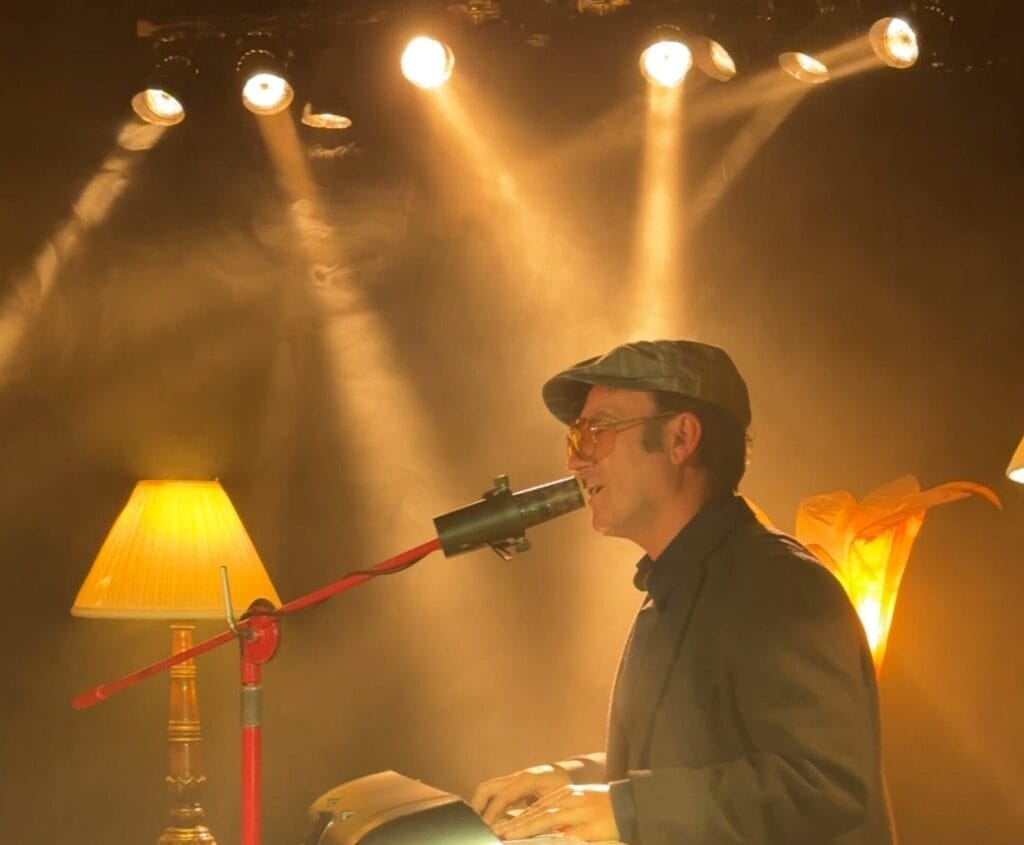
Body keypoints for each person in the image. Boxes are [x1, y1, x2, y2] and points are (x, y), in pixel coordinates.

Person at [470, 340, 893, 845]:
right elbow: (694, 760)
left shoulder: (780, 584)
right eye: (575, 439)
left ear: (681, 438)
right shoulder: (677, 587)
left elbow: (824, 783)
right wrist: (572, 778)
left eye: (595, 433)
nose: (577, 462)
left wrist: (628, 807)